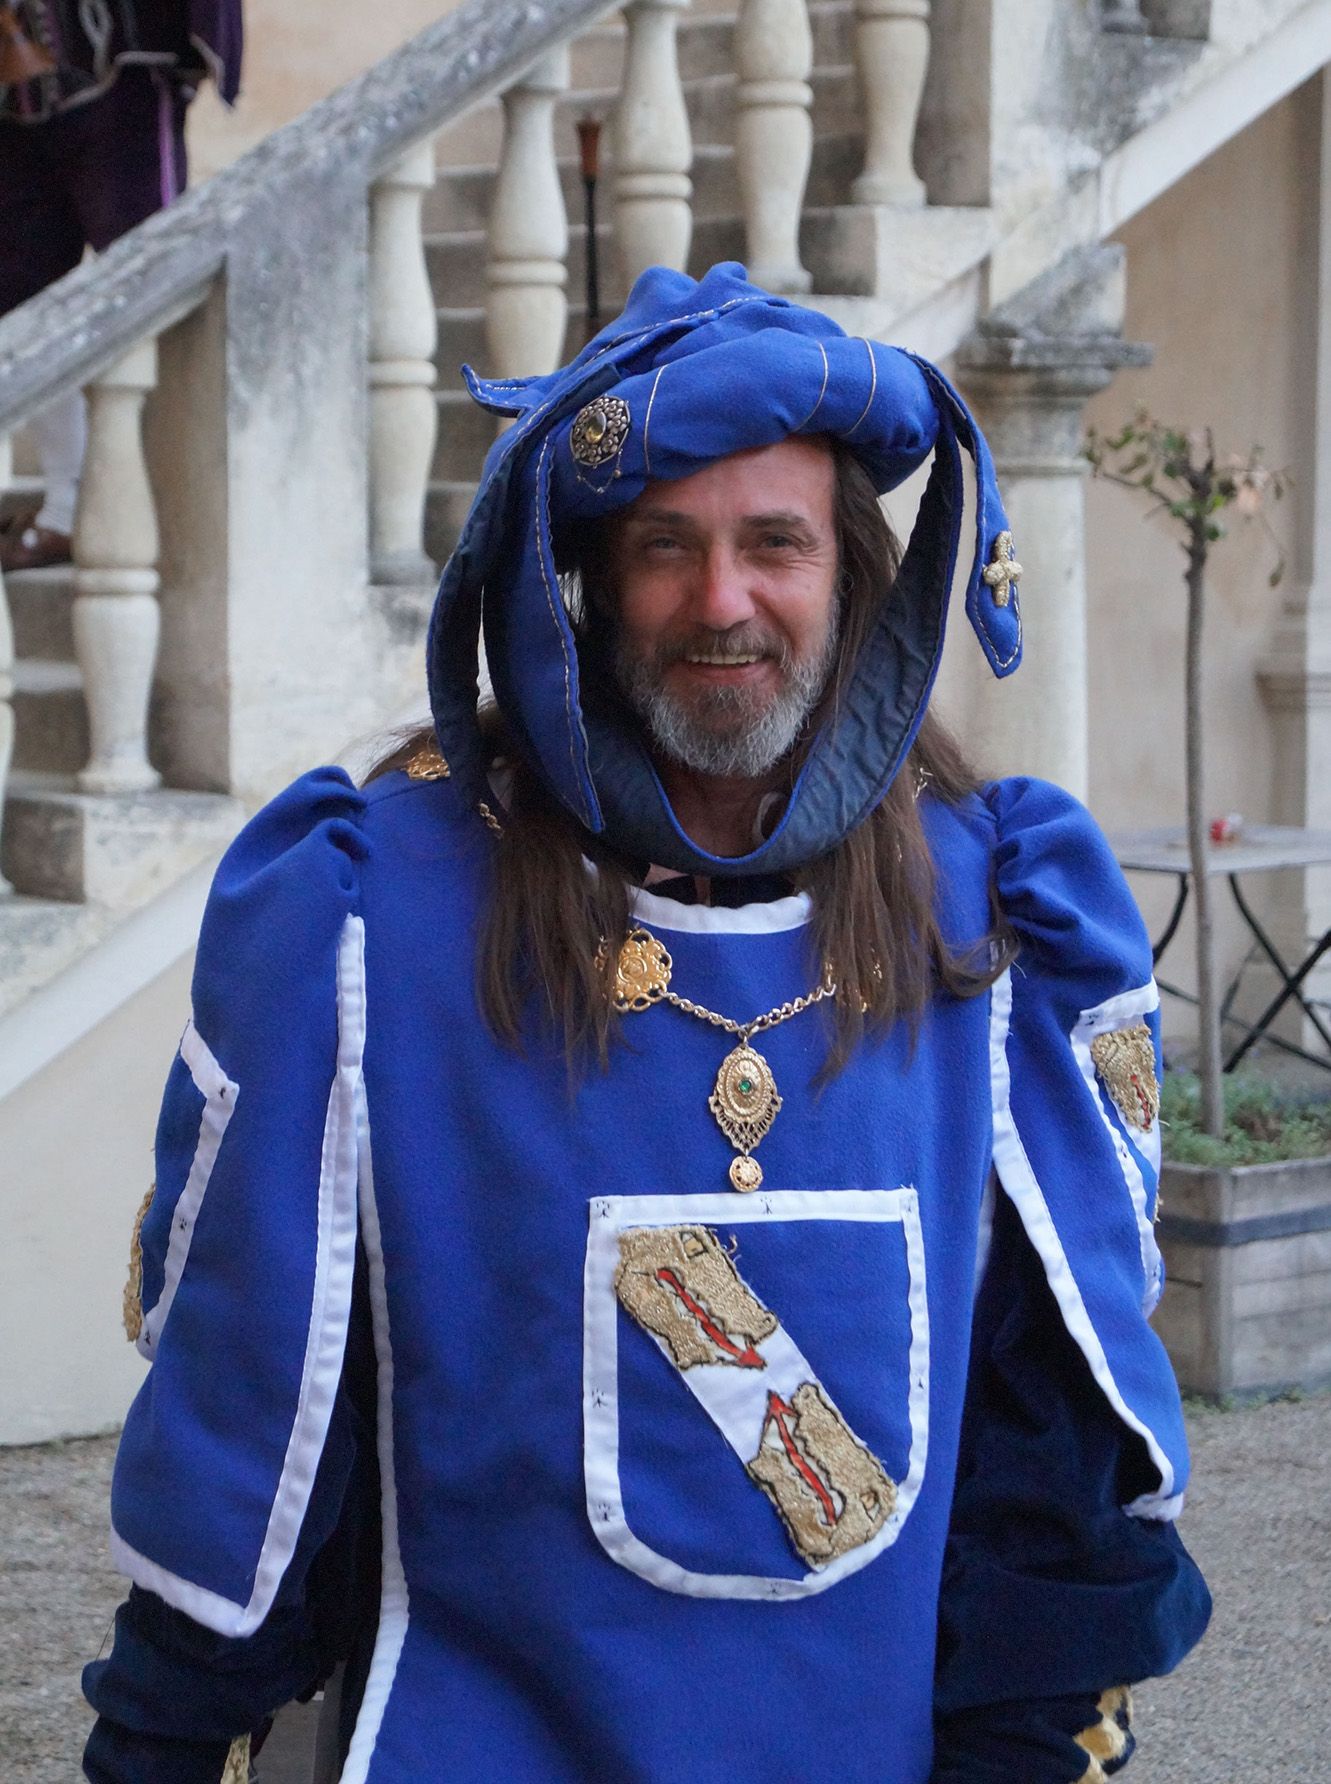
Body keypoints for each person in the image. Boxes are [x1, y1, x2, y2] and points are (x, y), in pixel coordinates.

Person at [83, 262, 1210, 1783]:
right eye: (664, 547)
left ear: (849, 576)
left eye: (773, 545)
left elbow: (1049, 1491)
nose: (721, 600)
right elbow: (261, 1463)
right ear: (590, 584)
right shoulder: (374, 913)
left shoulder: (990, 918)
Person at [0, 0, 242, 572]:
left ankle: (180, 501)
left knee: (150, 292)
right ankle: (65, 507)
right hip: (14, 112)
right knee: (22, 310)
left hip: (124, 76)